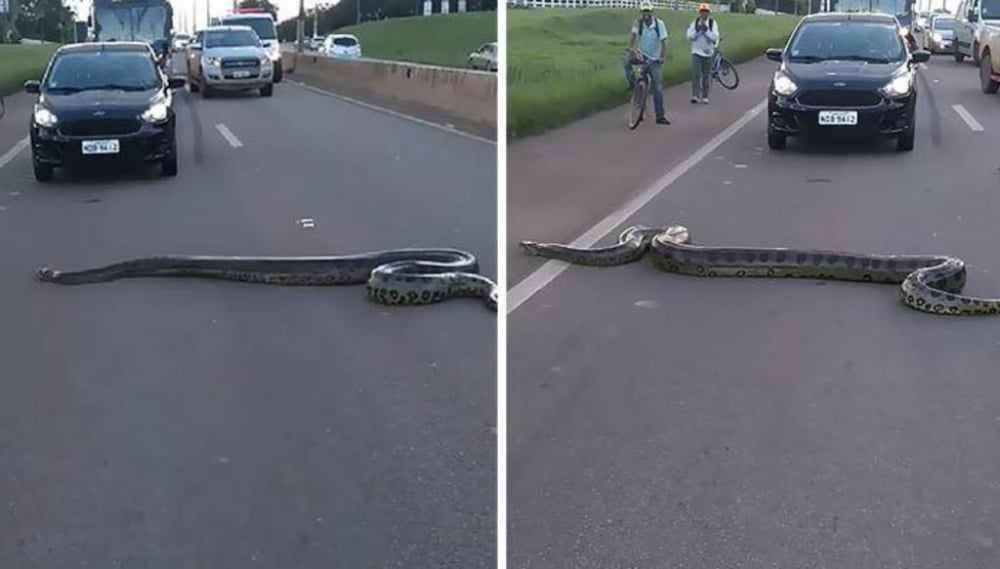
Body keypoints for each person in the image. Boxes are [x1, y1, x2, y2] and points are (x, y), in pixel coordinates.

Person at [623, 1, 670, 125]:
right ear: (641, 12)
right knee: (627, 62)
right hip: (642, 56)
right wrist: (631, 49)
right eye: (644, 12)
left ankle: (660, 116)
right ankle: (633, 85)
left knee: (657, 88)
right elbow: (633, 37)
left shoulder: (659, 25)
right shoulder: (638, 23)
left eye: (648, 11)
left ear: (652, 12)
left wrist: (662, 57)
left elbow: (665, 43)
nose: (646, 15)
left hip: (654, 59)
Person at [686, 3, 720, 104]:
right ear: (699, 13)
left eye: (705, 12)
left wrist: (706, 31)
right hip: (696, 52)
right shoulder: (695, 23)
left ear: (708, 13)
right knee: (696, 74)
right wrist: (697, 31)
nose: (703, 14)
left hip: (708, 53)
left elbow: (715, 37)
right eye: (702, 12)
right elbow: (689, 36)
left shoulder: (712, 23)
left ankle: (705, 96)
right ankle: (695, 95)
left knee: (706, 75)